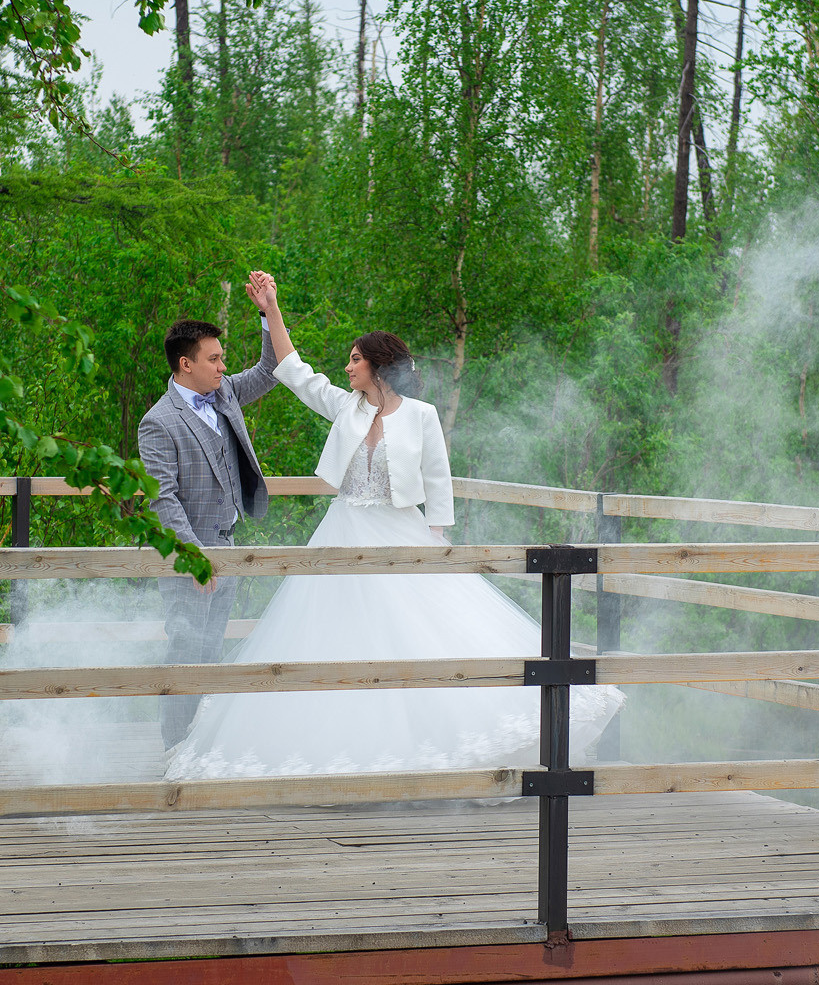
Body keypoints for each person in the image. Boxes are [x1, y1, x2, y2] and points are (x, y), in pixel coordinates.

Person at [164, 272, 622, 780]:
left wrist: (437, 535)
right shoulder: (345, 405)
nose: (347, 366)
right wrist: (270, 308)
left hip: (401, 531)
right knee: (335, 634)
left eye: (355, 359)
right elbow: (293, 369)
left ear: (378, 366)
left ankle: (439, 741)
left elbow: (437, 478)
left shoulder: (421, 415)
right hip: (344, 532)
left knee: (421, 633)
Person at [136, 274, 279, 748]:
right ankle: (175, 750)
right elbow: (162, 498)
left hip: (229, 549)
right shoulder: (158, 422)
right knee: (184, 654)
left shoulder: (224, 395)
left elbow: (272, 366)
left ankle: (200, 749)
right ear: (185, 364)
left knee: (213, 654)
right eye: (214, 359)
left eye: (222, 359)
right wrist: (195, 557)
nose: (222, 367)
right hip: (189, 557)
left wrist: (268, 311)